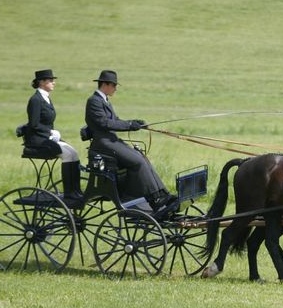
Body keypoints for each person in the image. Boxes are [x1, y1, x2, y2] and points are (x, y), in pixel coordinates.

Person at [84, 70, 175, 211]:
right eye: (114, 85)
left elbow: (116, 120)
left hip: (111, 141)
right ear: (105, 85)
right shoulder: (94, 101)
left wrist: (134, 122)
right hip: (104, 143)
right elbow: (105, 124)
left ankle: (163, 194)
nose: (115, 88)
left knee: (141, 157)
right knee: (137, 161)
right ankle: (154, 197)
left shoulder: (104, 100)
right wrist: (130, 126)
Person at [24, 69, 83, 201]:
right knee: (67, 155)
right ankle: (69, 192)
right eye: (50, 81)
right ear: (42, 82)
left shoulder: (46, 98)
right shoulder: (36, 100)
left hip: (47, 138)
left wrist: (51, 134)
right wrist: (50, 132)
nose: (53, 83)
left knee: (73, 152)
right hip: (37, 140)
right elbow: (33, 124)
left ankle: (76, 190)